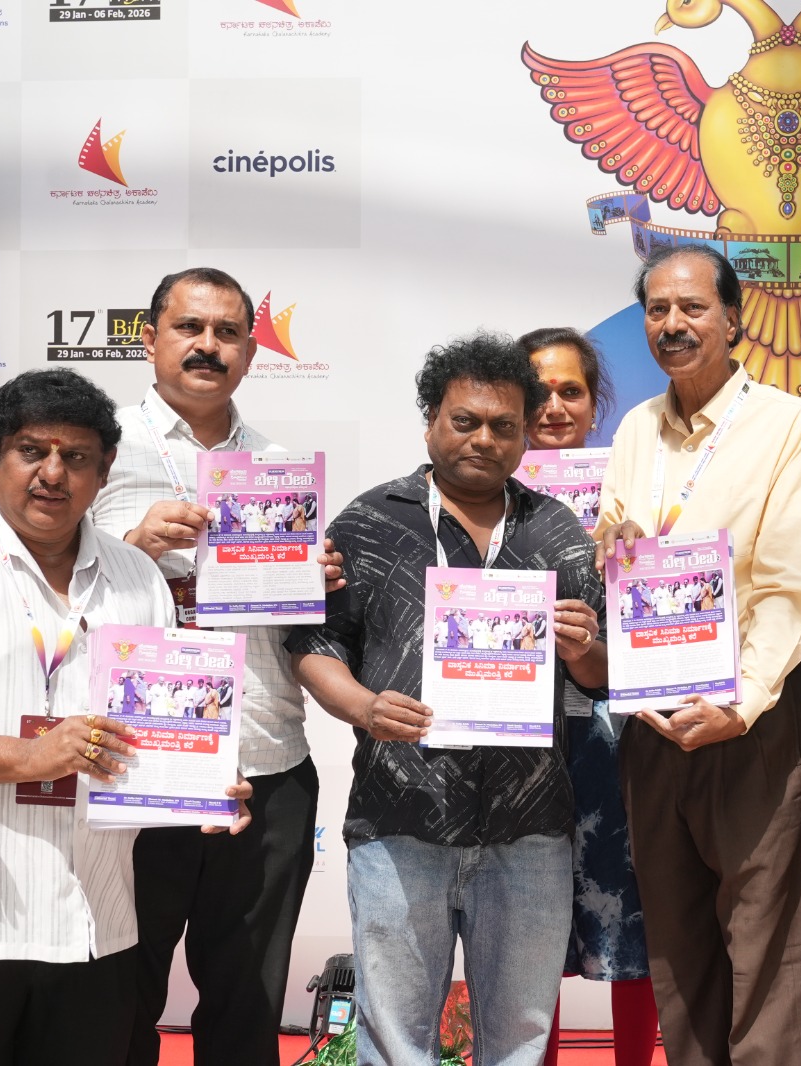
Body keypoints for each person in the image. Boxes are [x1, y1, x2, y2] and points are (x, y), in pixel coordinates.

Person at [0, 369, 251, 1065]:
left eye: (77, 456)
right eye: (32, 451)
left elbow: (158, 725)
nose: (53, 473)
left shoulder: (137, 577)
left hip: (95, 927)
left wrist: (203, 782)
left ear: (106, 470)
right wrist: (28, 757)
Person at [288, 333, 607, 1066]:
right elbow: (313, 645)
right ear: (431, 419)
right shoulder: (369, 523)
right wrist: (364, 708)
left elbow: (599, 676)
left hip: (529, 830)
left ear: (524, 434)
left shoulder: (556, 529)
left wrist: (584, 647)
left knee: (521, 1043)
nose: (483, 439)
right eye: (465, 421)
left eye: (503, 425)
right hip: (399, 819)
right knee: (395, 1043)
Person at [90, 267, 339, 1066]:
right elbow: (48, 594)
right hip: (138, 762)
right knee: (120, 1000)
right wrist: (132, 548)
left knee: (247, 1003)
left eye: (229, 332)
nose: (208, 346)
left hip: (265, 759)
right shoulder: (96, 449)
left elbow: (301, 629)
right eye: (189, 328)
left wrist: (318, 579)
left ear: (250, 353)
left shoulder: (278, 465)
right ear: (149, 339)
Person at [595, 245, 801, 1066]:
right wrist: (611, 539)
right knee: (679, 958)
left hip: (748, 722)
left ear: (734, 319)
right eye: (657, 309)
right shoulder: (634, 429)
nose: (673, 324)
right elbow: (614, 535)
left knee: (768, 960)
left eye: (692, 308)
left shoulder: (789, 425)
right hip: (652, 723)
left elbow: (790, 587)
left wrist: (743, 701)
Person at [518, 327, 656, 1066]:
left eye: (570, 391)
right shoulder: (479, 494)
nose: (553, 407)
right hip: (515, 736)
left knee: (632, 921)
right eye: (537, 390)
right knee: (524, 931)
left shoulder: (632, 496)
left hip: (612, 736)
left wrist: (637, 552)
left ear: (595, 403)